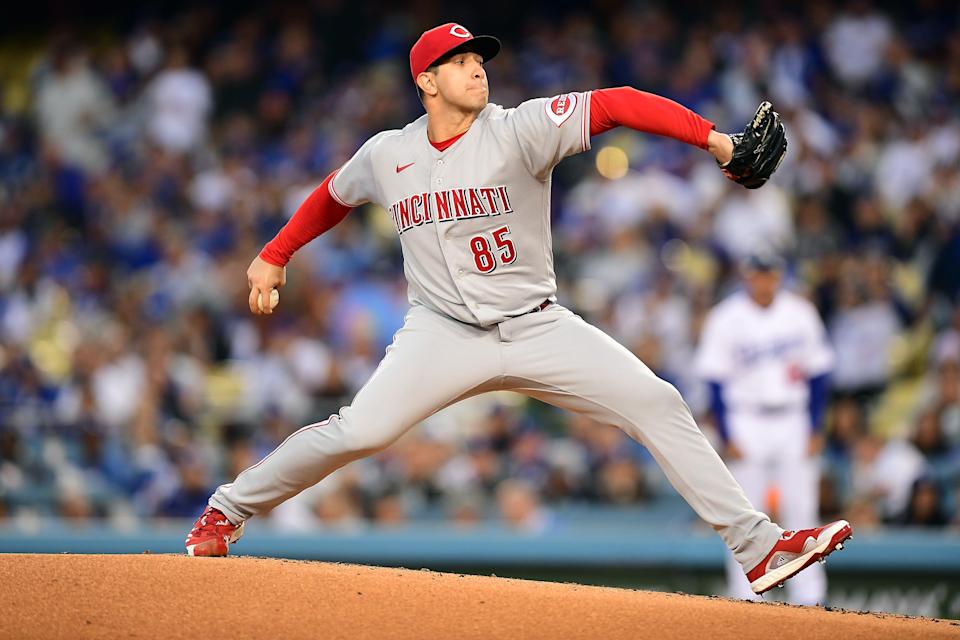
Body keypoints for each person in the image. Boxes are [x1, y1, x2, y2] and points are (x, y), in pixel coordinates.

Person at [185, 23, 851, 596]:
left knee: (657, 401)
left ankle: (758, 549)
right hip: (440, 333)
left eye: (479, 59)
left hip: (537, 324)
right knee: (360, 432)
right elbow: (332, 196)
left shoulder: (520, 129)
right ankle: (226, 510)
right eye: (460, 62)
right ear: (427, 80)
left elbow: (616, 103)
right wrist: (275, 252)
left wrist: (714, 140)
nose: (477, 69)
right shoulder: (389, 154)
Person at [694, 252, 835, 604]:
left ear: (779, 274)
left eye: (769, 274)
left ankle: (810, 599)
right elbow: (714, 381)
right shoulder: (726, 317)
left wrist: (816, 426)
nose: (763, 281)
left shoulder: (800, 313)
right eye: (757, 274)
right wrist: (728, 434)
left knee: (802, 510)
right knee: (743, 516)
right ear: (746, 276)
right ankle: (747, 598)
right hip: (746, 418)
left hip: (793, 417)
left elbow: (819, 373)